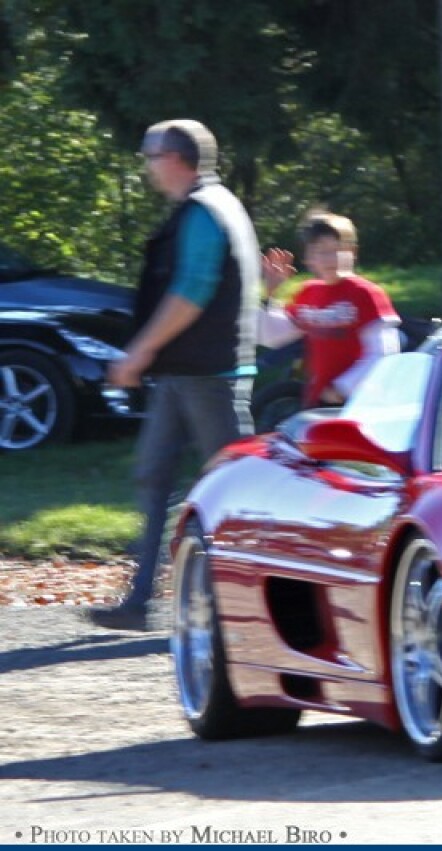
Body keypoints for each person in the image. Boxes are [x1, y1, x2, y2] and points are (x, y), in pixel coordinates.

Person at [87, 119, 261, 631]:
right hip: (186, 373)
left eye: (151, 155)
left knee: (233, 494)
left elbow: (192, 292)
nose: (146, 165)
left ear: (178, 158)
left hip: (211, 376)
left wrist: (139, 352)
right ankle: (140, 602)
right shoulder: (206, 207)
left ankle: (248, 611)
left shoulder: (207, 212)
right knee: (153, 476)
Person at [259, 212, 400, 408]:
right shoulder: (309, 292)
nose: (330, 258)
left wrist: (343, 388)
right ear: (308, 258)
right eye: (320, 251)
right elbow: (274, 337)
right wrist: (270, 295)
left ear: (353, 252)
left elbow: (384, 353)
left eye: (338, 249)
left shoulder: (366, 294)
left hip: (363, 403)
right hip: (320, 400)